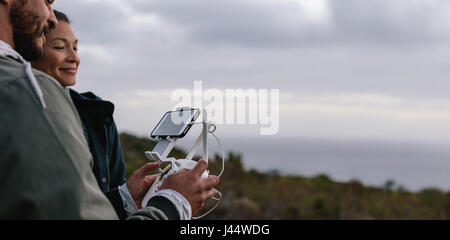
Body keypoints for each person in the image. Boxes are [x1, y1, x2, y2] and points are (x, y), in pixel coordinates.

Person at [0, 0, 219, 220]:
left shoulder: (98, 114)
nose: (51, 18)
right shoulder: (30, 91)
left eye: (76, 47)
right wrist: (173, 203)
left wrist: (122, 199)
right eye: (46, 0)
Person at [31, 9, 157, 220]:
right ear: (32, 51)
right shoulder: (23, 113)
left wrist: (127, 194)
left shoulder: (99, 114)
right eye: (60, 47)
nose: (74, 58)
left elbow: (107, 194)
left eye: (76, 48)